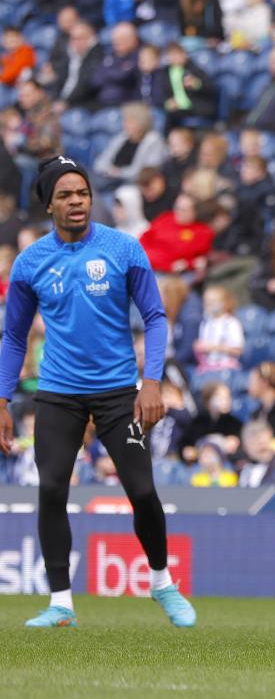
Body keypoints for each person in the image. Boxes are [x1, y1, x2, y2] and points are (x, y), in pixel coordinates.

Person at [0, 156, 196, 628]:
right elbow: (13, 337)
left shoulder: (123, 249)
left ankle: (161, 582)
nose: (77, 202)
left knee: (143, 491)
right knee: (49, 489)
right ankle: (61, 603)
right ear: (49, 204)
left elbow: (154, 316)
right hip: (58, 394)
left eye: (83, 194)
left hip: (117, 394)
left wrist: (151, 382)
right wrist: (2, 399)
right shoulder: (30, 263)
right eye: (66, 195)